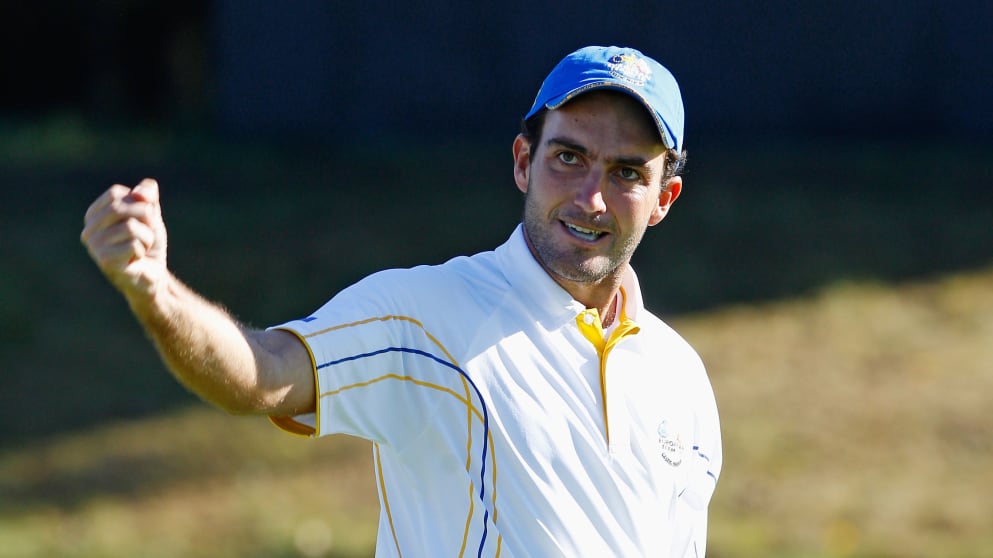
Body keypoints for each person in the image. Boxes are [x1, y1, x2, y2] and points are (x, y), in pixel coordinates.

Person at [81, 45, 722, 557]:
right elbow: (262, 372)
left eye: (627, 172)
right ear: (524, 162)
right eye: (569, 157)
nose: (591, 197)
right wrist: (158, 294)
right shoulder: (419, 314)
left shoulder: (683, 376)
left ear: (665, 199)